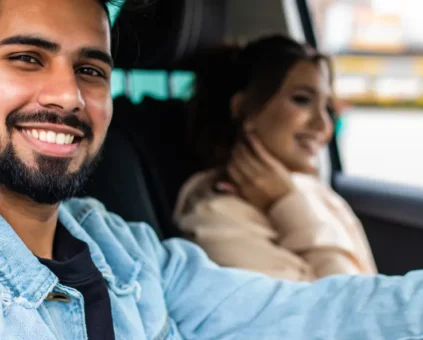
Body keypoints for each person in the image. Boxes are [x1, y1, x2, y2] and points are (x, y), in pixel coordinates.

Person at [1, 1, 423, 339]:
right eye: (25, 58)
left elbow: (304, 315)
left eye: (91, 70)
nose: (69, 96)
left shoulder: (127, 249)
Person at [174, 36, 376, 281]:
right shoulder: (214, 218)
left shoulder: (313, 191)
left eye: (328, 108)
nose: (323, 124)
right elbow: (350, 305)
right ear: (243, 109)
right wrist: (288, 204)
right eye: (302, 99)